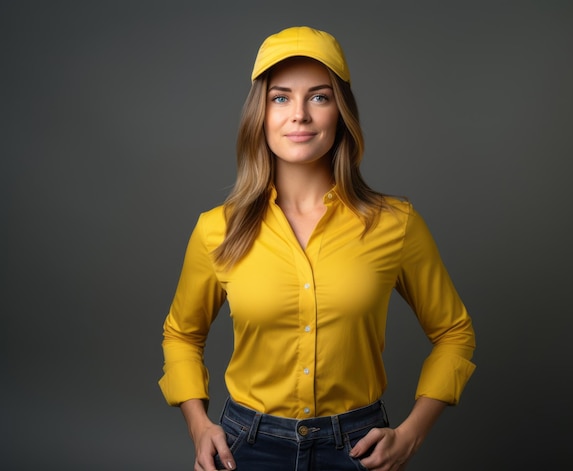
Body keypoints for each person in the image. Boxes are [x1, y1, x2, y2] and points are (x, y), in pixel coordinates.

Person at [159, 26, 476, 471]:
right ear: (260, 114)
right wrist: (198, 426)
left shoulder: (396, 224)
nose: (300, 115)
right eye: (281, 97)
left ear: (341, 113)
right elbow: (182, 334)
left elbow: (454, 333)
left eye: (320, 97)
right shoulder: (218, 229)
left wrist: (411, 435)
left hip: (358, 450)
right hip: (243, 449)